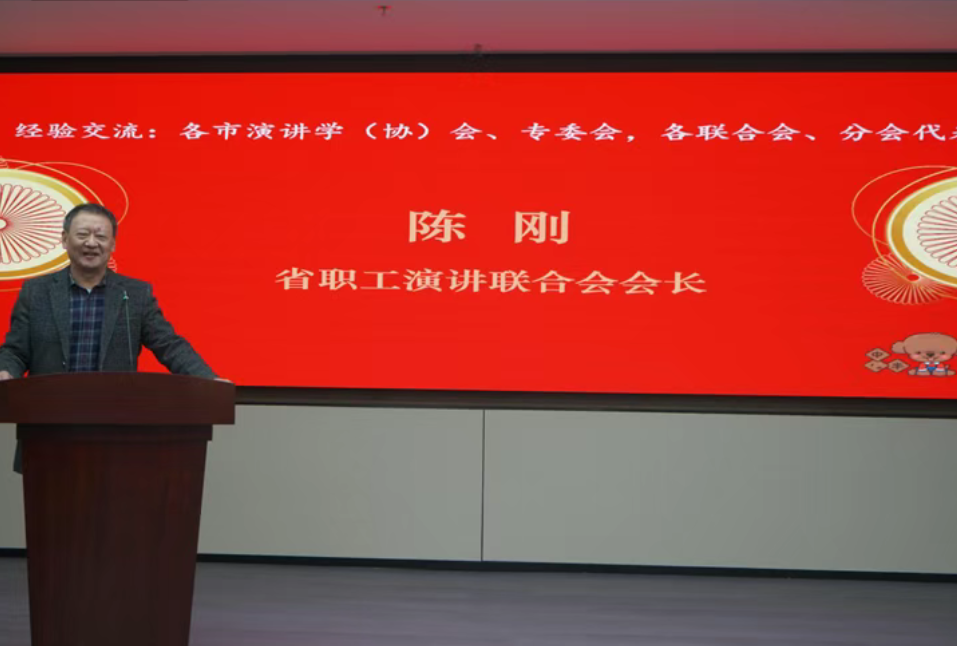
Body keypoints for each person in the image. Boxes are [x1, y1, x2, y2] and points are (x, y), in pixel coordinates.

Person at [0, 203, 219, 473]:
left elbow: (169, 345)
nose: (92, 243)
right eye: (83, 235)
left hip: (114, 429)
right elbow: (16, 349)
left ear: (113, 244)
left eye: (101, 236)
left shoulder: (135, 294)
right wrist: (6, 370)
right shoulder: (36, 291)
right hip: (48, 427)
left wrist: (208, 380)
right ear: (64, 239)